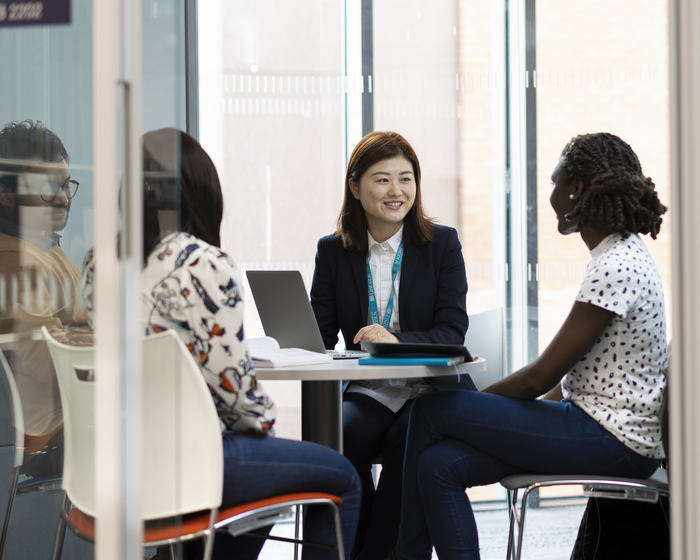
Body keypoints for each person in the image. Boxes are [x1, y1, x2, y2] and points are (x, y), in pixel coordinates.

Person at [81, 128, 361, 560]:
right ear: (202, 193)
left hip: (114, 463)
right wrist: (265, 422)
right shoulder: (205, 264)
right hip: (188, 463)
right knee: (341, 474)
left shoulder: (98, 261)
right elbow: (240, 404)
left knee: (259, 464)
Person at [391, 132, 669, 560]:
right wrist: (480, 417)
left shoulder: (616, 267)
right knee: (438, 465)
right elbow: (580, 376)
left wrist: (471, 412)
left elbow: (542, 375)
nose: (551, 193)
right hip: (593, 427)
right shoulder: (618, 256)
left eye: (556, 182)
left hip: (614, 442)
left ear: (576, 189)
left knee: (430, 410)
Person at [310, 131, 477, 560]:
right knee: (340, 439)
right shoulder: (333, 251)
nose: (396, 191)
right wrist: (289, 338)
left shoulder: (442, 244)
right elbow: (319, 335)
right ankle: (349, 547)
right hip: (373, 386)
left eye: (406, 178)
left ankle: (379, 554)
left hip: (432, 388)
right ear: (355, 186)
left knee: (410, 448)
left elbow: (452, 331)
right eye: (382, 179)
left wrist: (395, 339)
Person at [0, 119, 91, 477]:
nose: (62, 198)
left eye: (66, 185)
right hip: (57, 433)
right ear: (5, 193)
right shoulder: (15, 261)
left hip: (81, 417)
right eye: (46, 187)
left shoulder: (42, 246)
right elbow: (53, 361)